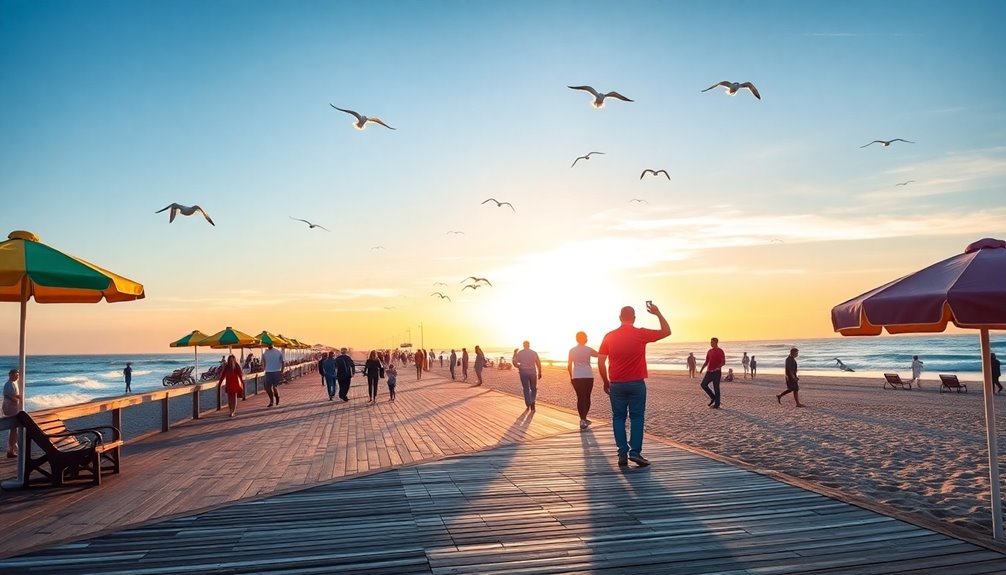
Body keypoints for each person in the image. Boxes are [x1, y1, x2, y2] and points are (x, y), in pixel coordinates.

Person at [598, 302, 671, 467]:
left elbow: (601, 361)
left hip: (616, 383)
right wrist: (658, 313)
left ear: (619, 318)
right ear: (634, 318)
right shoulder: (640, 333)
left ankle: (622, 454)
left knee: (618, 417)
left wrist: (605, 381)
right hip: (636, 382)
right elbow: (667, 331)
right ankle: (635, 452)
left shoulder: (609, 336)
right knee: (637, 417)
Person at [568, 331, 599, 430]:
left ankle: (583, 419)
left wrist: (571, 377)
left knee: (580, 397)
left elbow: (569, 365)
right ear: (585, 338)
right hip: (588, 375)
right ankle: (583, 419)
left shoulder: (572, 350)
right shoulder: (589, 349)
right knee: (587, 397)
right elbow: (600, 355)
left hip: (576, 376)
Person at [514, 341, 543, 410]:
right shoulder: (534, 353)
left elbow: (515, 363)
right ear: (529, 345)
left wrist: (519, 366)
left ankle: (528, 403)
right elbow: (538, 363)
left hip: (523, 373)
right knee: (534, 388)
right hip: (532, 372)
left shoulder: (520, 353)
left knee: (526, 388)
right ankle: (532, 401)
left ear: (523, 345)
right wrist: (540, 372)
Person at [699, 337, 725, 409]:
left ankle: (717, 404)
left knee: (716, 388)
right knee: (703, 385)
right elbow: (707, 361)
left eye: (712, 342)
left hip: (716, 372)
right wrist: (702, 368)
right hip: (709, 372)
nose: (711, 343)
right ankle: (713, 397)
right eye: (710, 342)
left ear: (716, 343)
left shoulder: (720, 351)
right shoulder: (709, 351)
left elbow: (723, 362)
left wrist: (718, 367)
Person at [3, 369, 21, 457]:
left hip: (14, 409)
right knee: (14, 430)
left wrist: (19, 398)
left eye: (17, 375)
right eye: (15, 375)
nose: (17, 377)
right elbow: (7, 395)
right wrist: (16, 399)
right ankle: (11, 450)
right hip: (10, 409)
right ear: (10, 375)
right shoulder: (8, 384)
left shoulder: (14, 384)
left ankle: (11, 449)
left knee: (14, 430)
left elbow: (14, 395)